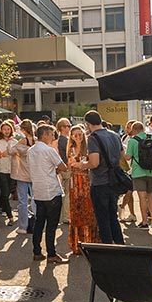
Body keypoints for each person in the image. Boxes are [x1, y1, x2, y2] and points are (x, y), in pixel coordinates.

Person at [83, 111, 124, 245]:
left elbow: (94, 162)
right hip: (114, 181)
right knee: (113, 216)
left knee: (103, 218)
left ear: (88, 124)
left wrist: (82, 165)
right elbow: (122, 156)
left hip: (100, 182)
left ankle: (107, 247)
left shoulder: (93, 138)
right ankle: (119, 244)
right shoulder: (115, 135)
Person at [27, 125, 67, 263]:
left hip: (38, 190)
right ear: (44, 135)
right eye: (51, 134)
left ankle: (37, 251)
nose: (53, 136)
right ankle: (51, 253)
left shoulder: (31, 150)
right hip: (51, 190)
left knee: (39, 223)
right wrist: (55, 170)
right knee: (51, 225)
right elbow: (63, 166)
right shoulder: (49, 150)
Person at [66, 126, 100, 254]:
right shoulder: (71, 148)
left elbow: (90, 163)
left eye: (80, 134)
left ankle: (92, 241)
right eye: (75, 135)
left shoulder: (89, 147)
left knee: (89, 210)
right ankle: (78, 243)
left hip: (87, 181)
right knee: (77, 211)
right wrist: (79, 146)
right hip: (75, 182)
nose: (78, 137)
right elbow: (72, 163)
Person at [125, 121, 152, 229]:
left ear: (134, 130)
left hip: (138, 172)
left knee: (142, 197)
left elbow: (128, 157)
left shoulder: (132, 141)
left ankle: (144, 222)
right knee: (150, 196)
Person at [10, 118, 35, 233]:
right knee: (35, 199)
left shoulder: (22, 141)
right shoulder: (36, 141)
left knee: (23, 201)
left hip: (22, 174)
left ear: (23, 130)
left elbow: (11, 151)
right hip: (34, 174)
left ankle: (23, 226)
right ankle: (37, 222)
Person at [0, 120, 17, 226]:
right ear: (1, 130)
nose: (6, 131)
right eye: (4, 129)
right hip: (1, 169)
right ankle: (10, 216)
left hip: (12, 170)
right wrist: (1, 155)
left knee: (5, 194)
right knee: (5, 193)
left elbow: (17, 154)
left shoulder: (15, 141)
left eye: (8, 129)